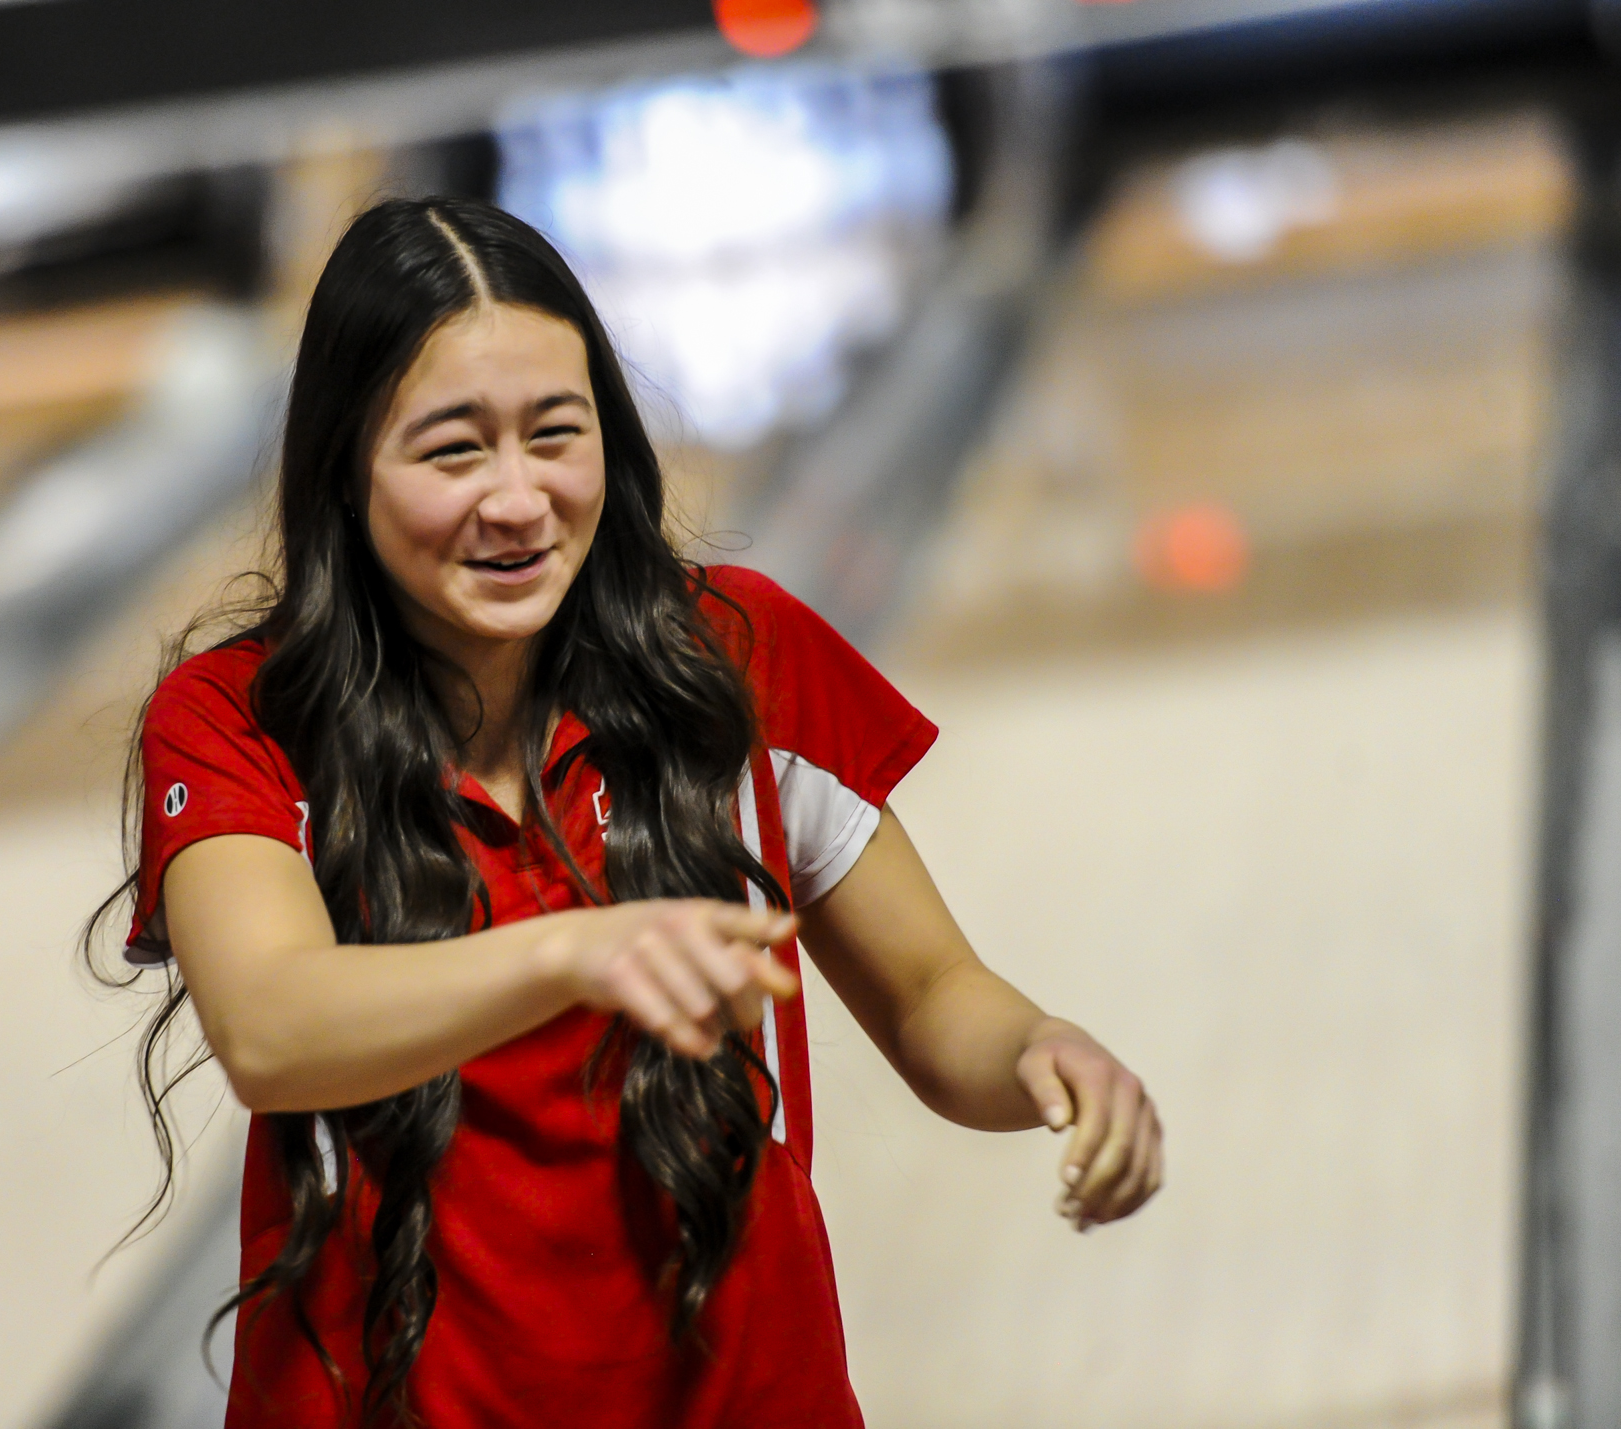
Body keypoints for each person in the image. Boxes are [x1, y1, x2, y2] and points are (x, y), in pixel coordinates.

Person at [100, 196, 1161, 1429]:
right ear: (345, 466)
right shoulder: (237, 718)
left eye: (557, 434)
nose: (517, 499)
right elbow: (271, 1028)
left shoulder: (737, 660)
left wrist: (1039, 1051)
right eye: (452, 452)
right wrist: (577, 949)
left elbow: (932, 997)